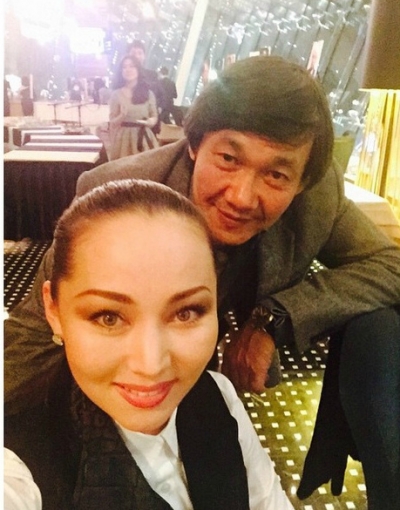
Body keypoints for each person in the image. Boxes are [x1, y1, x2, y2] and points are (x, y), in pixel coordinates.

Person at [5, 55, 400, 509]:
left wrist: (274, 318)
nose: (242, 197)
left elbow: (389, 264)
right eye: (229, 159)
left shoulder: (317, 197)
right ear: (194, 144)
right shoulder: (120, 197)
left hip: (213, 379)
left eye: (275, 174)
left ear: (302, 181)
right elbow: (32, 332)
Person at [4, 179, 294, 510]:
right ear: (53, 312)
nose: (151, 365)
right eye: (108, 317)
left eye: (186, 312)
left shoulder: (219, 395)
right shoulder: (17, 465)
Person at [108, 55, 159, 160]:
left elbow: (154, 116)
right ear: (121, 71)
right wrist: (122, 116)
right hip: (123, 141)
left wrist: (151, 122)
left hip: (143, 138)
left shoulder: (148, 93)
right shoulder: (116, 95)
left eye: (132, 66)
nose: (128, 70)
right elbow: (112, 122)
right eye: (124, 67)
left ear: (138, 70)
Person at [127, 40, 162, 134]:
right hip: (128, 124)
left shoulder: (152, 75)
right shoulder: (123, 76)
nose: (136, 56)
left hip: (149, 123)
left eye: (140, 53)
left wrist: (157, 110)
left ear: (144, 56)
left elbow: (161, 96)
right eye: (133, 53)